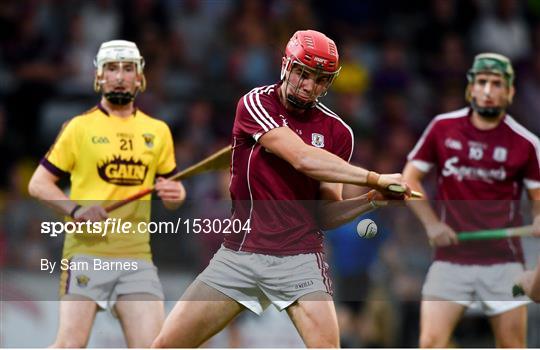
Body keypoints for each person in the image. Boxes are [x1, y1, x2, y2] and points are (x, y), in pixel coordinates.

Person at [152, 29, 411, 348]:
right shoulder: (256, 104)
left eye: (319, 79)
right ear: (286, 65)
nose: (308, 86)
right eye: (302, 73)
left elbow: (324, 215)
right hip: (240, 254)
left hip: (300, 258)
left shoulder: (337, 132)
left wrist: (372, 199)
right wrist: (374, 178)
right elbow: (302, 158)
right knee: (165, 346)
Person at [28, 40, 186, 347]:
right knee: (70, 346)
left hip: (136, 258)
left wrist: (177, 193)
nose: (119, 76)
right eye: (111, 68)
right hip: (87, 255)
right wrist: (76, 211)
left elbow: (171, 195)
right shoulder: (79, 128)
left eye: (128, 69)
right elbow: (38, 184)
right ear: (99, 77)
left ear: (140, 78)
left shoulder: (158, 131)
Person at [403, 52, 540, 348]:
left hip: (504, 262)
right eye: (481, 82)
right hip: (451, 259)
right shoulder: (442, 128)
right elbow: (408, 180)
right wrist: (431, 225)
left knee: (513, 346)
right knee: (430, 343)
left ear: (510, 91)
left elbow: (539, 202)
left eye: (496, 83)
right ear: (470, 88)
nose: (488, 91)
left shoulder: (527, 144)